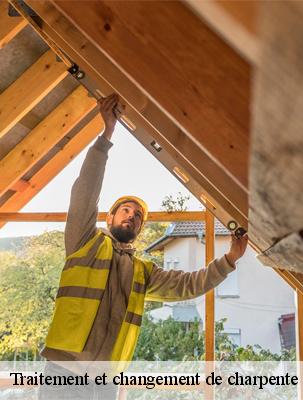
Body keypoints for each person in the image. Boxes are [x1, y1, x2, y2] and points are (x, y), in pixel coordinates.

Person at [38, 93, 248, 398]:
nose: (132, 216)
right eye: (125, 210)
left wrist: (229, 258)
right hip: (63, 371)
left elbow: (188, 285)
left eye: (137, 216)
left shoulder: (142, 272)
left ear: (139, 228)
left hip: (105, 382)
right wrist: (106, 137)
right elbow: (84, 192)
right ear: (109, 216)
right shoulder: (85, 242)